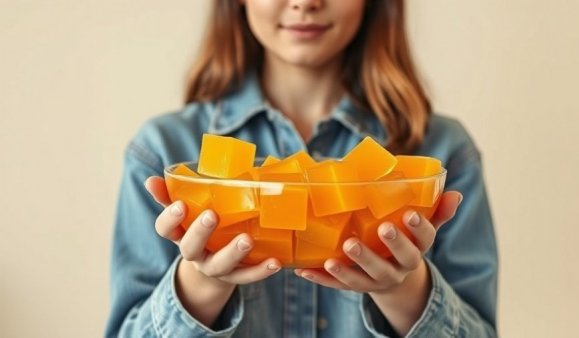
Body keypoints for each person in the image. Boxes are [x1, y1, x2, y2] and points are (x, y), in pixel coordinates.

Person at [105, 1, 498, 337]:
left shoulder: (446, 152)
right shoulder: (160, 151)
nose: (305, 1)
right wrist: (199, 285)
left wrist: (405, 288)